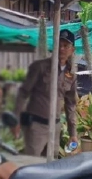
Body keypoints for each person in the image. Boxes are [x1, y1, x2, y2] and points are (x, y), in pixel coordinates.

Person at [14, 29, 79, 157]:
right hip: (36, 126)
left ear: (72, 50)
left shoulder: (71, 75)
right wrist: (15, 120)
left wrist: (73, 134)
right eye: (59, 45)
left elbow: (70, 104)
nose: (62, 49)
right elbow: (23, 92)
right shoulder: (40, 67)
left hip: (54, 127)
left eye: (66, 46)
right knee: (31, 163)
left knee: (50, 165)